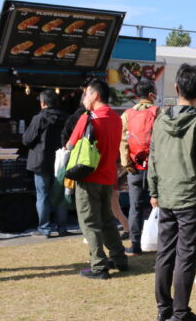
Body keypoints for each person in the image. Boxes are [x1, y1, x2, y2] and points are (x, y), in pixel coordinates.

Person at [150, 63, 196, 321]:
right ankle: (179, 313)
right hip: (191, 198)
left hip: (167, 196)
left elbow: (153, 159)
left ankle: (164, 310)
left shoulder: (160, 119)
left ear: (176, 87)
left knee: (165, 253)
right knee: (185, 255)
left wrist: (153, 190)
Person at [66, 79, 127, 279]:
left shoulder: (88, 118)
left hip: (89, 176)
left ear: (95, 95)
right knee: (107, 219)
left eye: (86, 94)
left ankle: (99, 266)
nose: (84, 98)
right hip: (108, 176)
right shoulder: (116, 118)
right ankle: (119, 258)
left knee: (89, 221)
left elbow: (70, 145)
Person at [22, 89, 69, 238]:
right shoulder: (66, 118)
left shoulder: (39, 118)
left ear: (43, 103)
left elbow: (27, 139)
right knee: (60, 195)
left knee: (42, 195)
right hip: (61, 161)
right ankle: (62, 228)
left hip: (41, 162)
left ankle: (44, 228)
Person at [120, 78, 159, 256]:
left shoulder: (127, 114)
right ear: (151, 95)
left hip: (134, 167)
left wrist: (126, 163)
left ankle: (135, 244)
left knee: (135, 207)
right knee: (158, 204)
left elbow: (123, 142)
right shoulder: (159, 112)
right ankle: (160, 242)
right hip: (155, 168)